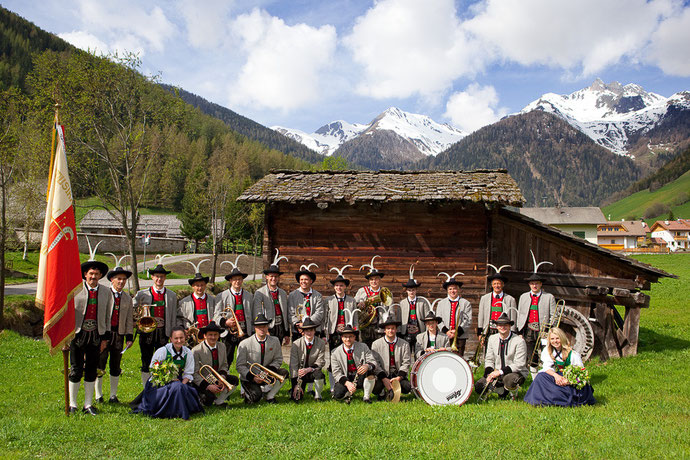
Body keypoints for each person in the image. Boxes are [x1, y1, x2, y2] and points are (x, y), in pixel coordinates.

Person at [132, 326, 203, 420]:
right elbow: (154, 371)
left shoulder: (188, 352)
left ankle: (177, 410)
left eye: (181, 338)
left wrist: (182, 385)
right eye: (176, 338)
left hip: (180, 381)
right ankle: (179, 412)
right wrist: (169, 380)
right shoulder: (162, 351)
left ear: (185, 337)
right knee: (176, 387)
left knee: (179, 388)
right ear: (170, 339)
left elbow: (188, 373)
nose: (179, 340)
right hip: (159, 383)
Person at [69, 257, 110, 415]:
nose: (93, 277)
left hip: (96, 335)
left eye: (97, 274)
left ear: (100, 276)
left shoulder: (106, 292)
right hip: (77, 335)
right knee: (76, 368)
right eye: (91, 274)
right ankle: (73, 404)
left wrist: (105, 338)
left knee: (92, 369)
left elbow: (107, 315)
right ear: (85, 274)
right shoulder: (75, 290)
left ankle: (88, 404)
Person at [524, 327, 596, 407]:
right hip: (558, 377)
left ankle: (556, 398)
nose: (555, 341)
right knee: (540, 377)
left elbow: (581, 373)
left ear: (562, 338)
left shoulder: (573, 354)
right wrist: (556, 376)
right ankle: (543, 399)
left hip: (572, 381)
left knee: (570, 389)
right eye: (552, 339)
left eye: (557, 338)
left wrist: (568, 381)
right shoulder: (548, 351)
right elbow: (547, 368)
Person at [133, 263, 178, 386]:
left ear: (165, 278)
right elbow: (133, 309)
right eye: (157, 276)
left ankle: (160, 384)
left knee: (163, 360)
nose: (159, 279)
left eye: (162, 276)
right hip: (147, 332)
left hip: (163, 332)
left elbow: (174, 314)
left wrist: (172, 333)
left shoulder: (172, 295)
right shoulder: (142, 294)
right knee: (146, 360)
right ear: (152, 277)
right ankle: (146, 387)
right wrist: (137, 321)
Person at [95, 265, 134, 404]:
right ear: (112, 280)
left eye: (124, 279)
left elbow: (129, 319)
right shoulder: (104, 294)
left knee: (115, 365)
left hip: (119, 334)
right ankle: (98, 394)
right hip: (104, 333)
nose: (121, 282)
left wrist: (129, 337)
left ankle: (113, 395)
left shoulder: (127, 298)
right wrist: (101, 335)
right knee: (100, 363)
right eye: (118, 279)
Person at [235, 313, 288, 404]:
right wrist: (253, 377)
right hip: (250, 377)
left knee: (284, 373)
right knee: (255, 398)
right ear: (255, 328)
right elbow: (240, 366)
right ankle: (249, 393)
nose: (262, 329)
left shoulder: (275, 341)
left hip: (266, 374)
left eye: (264, 326)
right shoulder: (245, 343)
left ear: (268, 327)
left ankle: (270, 396)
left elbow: (278, 359)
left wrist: (268, 370)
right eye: (259, 327)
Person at [474, 313, 528, 400]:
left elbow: (519, 364)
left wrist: (500, 372)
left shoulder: (519, 341)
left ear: (510, 326)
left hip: (515, 372)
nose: (502, 327)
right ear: (497, 326)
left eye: (505, 325)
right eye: (500, 325)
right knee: (479, 387)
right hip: (497, 372)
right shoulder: (492, 339)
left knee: (509, 380)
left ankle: (508, 391)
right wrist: (489, 373)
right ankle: (501, 390)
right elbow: (489, 359)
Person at [324, 269, 358, 393]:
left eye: (341, 285)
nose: (339, 287)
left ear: (345, 287)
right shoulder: (328, 301)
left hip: (348, 334)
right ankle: (334, 386)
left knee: (348, 358)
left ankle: (350, 383)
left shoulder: (351, 300)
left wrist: (355, 332)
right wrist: (326, 334)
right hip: (334, 334)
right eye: (337, 285)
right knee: (334, 359)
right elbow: (325, 319)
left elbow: (355, 318)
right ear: (334, 287)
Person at [191, 322, 239, 407]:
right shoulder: (196, 351)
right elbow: (194, 373)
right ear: (205, 336)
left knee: (234, 380)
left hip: (217, 378)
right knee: (207, 400)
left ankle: (219, 401)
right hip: (203, 381)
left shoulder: (222, 346)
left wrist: (222, 377)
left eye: (215, 335)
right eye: (210, 335)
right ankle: (206, 397)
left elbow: (224, 364)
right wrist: (208, 386)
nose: (213, 337)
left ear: (218, 336)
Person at [517, 272, 556, 375]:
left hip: (544, 330)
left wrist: (550, 330)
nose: (534, 286)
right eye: (532, 283)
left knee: (546, 355)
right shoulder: (523, 297)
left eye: (537, 283)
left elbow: (553, 315)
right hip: (529, 330)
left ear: (541, 284)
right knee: (531, 355)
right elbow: (520, 315)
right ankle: (535, 378)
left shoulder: (549, 297)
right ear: (529, 285)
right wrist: (520, 331)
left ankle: (546, 376)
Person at [214, 263, 253, 365]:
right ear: (230, 281)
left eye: (239, 279)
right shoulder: (221, 296)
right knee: (227, 359)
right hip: (229, 333)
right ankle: (225, 377)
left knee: (246, 359)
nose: (237, 281)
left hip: (244, 331)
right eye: (235, 279)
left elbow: (252, 314)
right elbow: (216, 316)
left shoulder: (249, 296)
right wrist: (225, 322)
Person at [330, 325, 377, 403]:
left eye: (351, 336)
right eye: (345, 337)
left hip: (360, 376)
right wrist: (347, 383)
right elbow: (336, 373)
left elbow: (373, 361)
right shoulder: (334, 353)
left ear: (355, 337)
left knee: (370, 372)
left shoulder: (363, 347)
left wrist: (367, 366)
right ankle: (348, 393)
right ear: (342, 338)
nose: (348, 339)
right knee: (338, 394)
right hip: (346, 378)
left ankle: (366, 397)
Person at [371, 316, 412, 400]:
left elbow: (406, 362)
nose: (390, 331)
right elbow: (376, 363)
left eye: (393, 328)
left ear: (396, 329)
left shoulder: (404, 344)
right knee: (375, 388)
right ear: (384, 330)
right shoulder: (376, 344)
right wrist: (383, 378)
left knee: (407, 387)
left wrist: (399, 377)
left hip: (397, 374)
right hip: (383, 374)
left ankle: (395, 390)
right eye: (388, 328)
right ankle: (383, 391)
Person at [252, 257, 290, 345]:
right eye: (271, 276)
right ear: (267, 277)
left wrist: (286, 333)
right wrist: (264, 329)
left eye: (276, 276)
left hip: (280, 327)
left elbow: (285, 314)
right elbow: (257, 312)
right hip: (268, 327)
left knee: (277, 351)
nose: (274, 278)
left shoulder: (283, 293)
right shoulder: (259, 293)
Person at [289, 317, 326, 402]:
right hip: (300, 374)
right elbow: (293, 365)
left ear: (314, 331)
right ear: (303, 332)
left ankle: (318, 396)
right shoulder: (296, 344)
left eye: (311, 330)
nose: (309, 332)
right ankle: (294, 389)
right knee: (296, 397)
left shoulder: (321, 343)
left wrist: (309, 369)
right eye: (307, 330)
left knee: (319, 374)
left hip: (312, 371)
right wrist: (295, 384)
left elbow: (320, 361)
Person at [354, 257, 389, 347]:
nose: (374, 281)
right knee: (365, 347)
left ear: (380, 279)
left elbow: (390, 309)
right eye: (371, 279)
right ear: (369, 281)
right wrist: (359, 305)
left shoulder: (385, 292)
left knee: (379, 348)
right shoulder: (362, 291)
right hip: (366, 326)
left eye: (376, 279)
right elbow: (354, 305)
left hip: (380, 325)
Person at [435, 272, 472, 356]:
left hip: (460, 336)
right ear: (447, 290)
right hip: (445, 335)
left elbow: (468, 320)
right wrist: (446, 331)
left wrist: (457, 332)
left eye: (454, 288)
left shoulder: (465, 303)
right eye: (450, 289)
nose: (452, 291)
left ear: (458, 289)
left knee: (458, 358)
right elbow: (438, 320)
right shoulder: (441, 303)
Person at [288, 264, 325, 341]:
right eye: (301, 279)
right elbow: (290, 313)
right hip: (298, 331)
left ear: (311, 281)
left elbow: (319, 313)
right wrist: (298, 326)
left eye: (306, 279)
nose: (303, 282)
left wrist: (307, 325)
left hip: (313, 330)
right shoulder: (292, 295)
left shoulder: (318, 296)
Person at [477, 269, 517, 340]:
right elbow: (481, 316)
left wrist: (512, 332)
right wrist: (480, 333)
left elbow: (513, 317)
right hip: (488, 330)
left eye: (499, 283)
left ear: (503, 285)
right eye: (494, 284)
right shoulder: (484, 298)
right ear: (492, 285)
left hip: (504, 330)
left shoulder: (510, 299)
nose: (497, 286)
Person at [399, 266, 430, 350]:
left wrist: (427, 332)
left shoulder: (423, 302)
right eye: (409, 290)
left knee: (419, 352)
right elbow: (400, 318)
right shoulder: (402, 303)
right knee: (406, 353)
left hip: (419, 332)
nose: (411, 292)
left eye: (413, 290)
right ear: (406, 291)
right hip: (406, 333)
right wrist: (400, 333)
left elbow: (427, 317)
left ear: (416, 290)